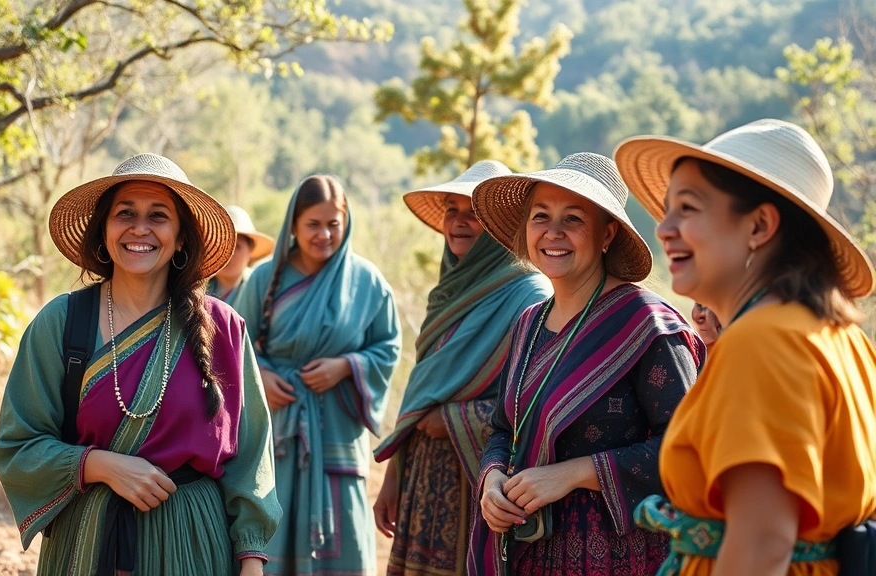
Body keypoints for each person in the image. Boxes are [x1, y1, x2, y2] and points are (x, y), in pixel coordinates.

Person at [0, 154, 280, 576]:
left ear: (181, 237)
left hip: (193, 544)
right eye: (124, 213)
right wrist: (100, 465)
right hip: (86, 544)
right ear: (104, 231)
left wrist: (251, 561)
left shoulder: (222, 327)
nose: (139, 228)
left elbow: (251, 458)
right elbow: (17, 446)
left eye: (158, 216)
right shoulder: (62, 323)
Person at [615, 118, 876, 575]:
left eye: (688, 208)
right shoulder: (845, 340)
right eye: (668, 208)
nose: (663, 228)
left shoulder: (762, 342)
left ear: (759, 225)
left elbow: (762, 544)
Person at [468, 153, 706, 576]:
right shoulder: (528, 323)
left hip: (620, 557)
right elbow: (505, 428)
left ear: (607, 234)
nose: (553, 233)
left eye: (573, 219)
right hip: (529, 551)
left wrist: (575, 473)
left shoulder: (647, 326)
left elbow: (690, 450)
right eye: (541, 216)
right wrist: (491, 481)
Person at [373, 160, 553, 576]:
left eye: (473, 213)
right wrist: (394, 476)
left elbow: (531, 400)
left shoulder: (529, 294)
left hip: (482, 481)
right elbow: (423, 388)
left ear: (498, 226)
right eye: (451, 211)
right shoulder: (449, 291)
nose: (458, 222)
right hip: (424, 468)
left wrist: (452, 418)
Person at [232, 175, 402, 576]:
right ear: (293, 223)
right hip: (277, 435)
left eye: (334, 223)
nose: (324, 234)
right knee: (271, 534)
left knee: (344, 548)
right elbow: (233, 345)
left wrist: (346, 366)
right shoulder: (265, 279)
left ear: (346, 223)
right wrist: (263, 377)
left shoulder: (366, 282)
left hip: (339, 436)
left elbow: (389, 346)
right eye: (313, 224)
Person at [208, 205, 275, 304]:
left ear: (250, 250)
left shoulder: (262, 288)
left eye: (236, 247)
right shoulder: (197, 291)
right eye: (222, 246)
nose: (228, 254)